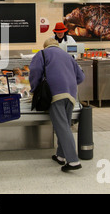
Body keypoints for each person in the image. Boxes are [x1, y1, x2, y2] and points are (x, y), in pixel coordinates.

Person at [29, 38, 85, 172]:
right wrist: (68, 83)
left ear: (45, 46)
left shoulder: (42, 54)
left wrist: (34, 89)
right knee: (64, 124)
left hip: (55, 95)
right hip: (71, 95)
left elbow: (35, 72)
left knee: (62, 127)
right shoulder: (68, 56)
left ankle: (73, 161)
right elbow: (81, 77)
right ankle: (61, 156)